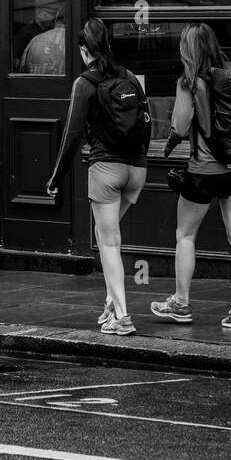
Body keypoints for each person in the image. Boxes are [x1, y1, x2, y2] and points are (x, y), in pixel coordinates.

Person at [150, 25, 231, 329]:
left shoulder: (188, 82)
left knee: (185, 235)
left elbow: (181, 126)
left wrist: (168, 145)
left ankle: (181, 303)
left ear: (188, 49)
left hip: (203, 171)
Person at [46, 18, 148, 336]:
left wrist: (55, 178)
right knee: (108, 236)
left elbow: (72, 135)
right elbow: (146, 123)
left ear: (82, 49)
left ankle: (122, 315)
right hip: (138, 171)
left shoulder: (85, 84)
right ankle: (109, 305)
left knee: (108, 243)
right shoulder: (129, 77)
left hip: (106, 170)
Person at [13, 0, 61, 67]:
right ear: (39, 13)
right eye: (52, 13)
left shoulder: (55, 30)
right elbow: (18, 64)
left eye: (57, 14)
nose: (56, 17)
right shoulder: (24, 35)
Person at [19, 7, 66, 75]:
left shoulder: (35, 41)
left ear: (56, 16)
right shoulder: (81, 41)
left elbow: (22, 73)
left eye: (51, 13)